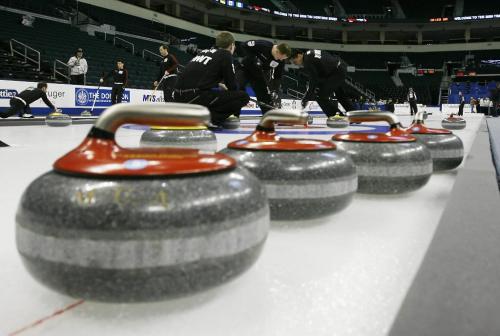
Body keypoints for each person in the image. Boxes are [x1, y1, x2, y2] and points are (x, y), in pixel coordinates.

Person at [173, 31, 249, 128]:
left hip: (178, 97)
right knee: (243, 97)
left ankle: (201, 115)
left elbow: (199, 76)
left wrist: (218, 85)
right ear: (232, 45)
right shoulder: (226, 54)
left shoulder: (204, 52)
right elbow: (232, 86)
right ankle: (211, 119)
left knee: (210, 93)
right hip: (194, 97)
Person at [290, 49, 354, 118]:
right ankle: (354, 115)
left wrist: (306, 98)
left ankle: (337, 117)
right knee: (340, 94)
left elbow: (313, 81)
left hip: (335, 72)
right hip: (339, 68)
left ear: (299, 55)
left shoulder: (307, 61)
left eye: (295, 61)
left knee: (320, 97)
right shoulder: (310, 53)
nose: (295, 64)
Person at [236, 39, 291, 114]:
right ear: (277, 51)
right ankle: (234, 113)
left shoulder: (280, 62)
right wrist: (253, 58)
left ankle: (268, 115)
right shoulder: (263, 45)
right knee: (238, 88)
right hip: (245, 68)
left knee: (265, 96)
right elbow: (244, 45)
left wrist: (275, 91)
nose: (281, 59)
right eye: (281, 57)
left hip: (258, 74)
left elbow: (277, 76)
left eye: (284, 58)